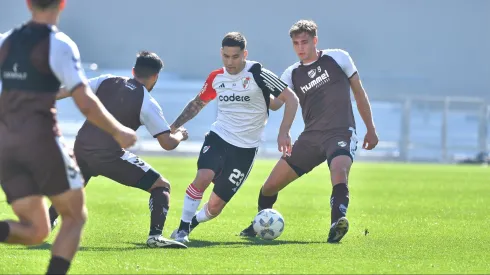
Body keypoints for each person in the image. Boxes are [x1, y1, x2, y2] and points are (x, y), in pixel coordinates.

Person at [0, 0, 137, 274]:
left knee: (37, 230)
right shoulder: (59, 44)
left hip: (5, 146)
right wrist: (118, 130)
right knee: (74, 216)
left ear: (27, 4)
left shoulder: (4, 42)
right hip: (40, 143)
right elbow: (84, 100)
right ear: (63, 4)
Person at [239, 19, 379, 243]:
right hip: (311, 138)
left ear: (315, 40)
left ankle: (337, 223)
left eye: (305, 42)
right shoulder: (291, 73)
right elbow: (276, 104)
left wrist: (370, 129)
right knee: (269, 186)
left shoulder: (338, 57)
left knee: (339, 171)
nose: (301, 48)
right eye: (296, 43)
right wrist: (257, 88)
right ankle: (259, 223)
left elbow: (359, 93)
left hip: (340, 132)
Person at [49, 51, 189, 249]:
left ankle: (48, 220)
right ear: (155, 77)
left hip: (81, 146)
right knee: (161, 186)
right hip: (107, 154)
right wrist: (180, 135)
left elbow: (70, 90)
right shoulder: (147, 102)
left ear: (133, 70)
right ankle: (155, 236)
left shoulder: (107, 80)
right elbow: (167, 143)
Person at [168, 32, 299, 243]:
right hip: (219, 137)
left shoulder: (257, 73)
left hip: (245, 149)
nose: (230, 62)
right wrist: (172, 127)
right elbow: (197, 103)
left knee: (214, 207)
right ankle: (183, 230)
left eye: (235, 57)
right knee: (203, 177)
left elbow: (290, 99)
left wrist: (284, 131)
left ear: (244, 54)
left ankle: (191, 223)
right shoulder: (216, 77)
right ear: (221, 53)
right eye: (226, 56)